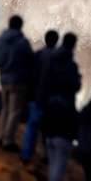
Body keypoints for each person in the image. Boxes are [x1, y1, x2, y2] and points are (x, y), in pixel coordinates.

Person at [0, 15, 34, 152]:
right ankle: (8, 140)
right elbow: (31, 61)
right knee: (15, 111)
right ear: (20, 26)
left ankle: (0, 136)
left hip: (4, 78)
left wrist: (2, 70)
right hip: (18, 81)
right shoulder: (23, 42)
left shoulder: (0, 39)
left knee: (4, 109)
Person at [21, 29, 60, 162]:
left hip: (35, 97)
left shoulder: (37, 54)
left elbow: (30, 76)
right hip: (49, 100)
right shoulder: (57, 58)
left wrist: (28, 95)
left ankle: (26, 155)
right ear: (56, 41)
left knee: (31, 128)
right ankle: (45, 155)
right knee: (47, 130)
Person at [41, 90, 78, 181]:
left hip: (50, 137)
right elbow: (74, 122)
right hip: (62, 139)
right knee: (59, 169)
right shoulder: (68, 106)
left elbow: (44, 119)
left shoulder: (51, 102)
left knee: (53, 167)